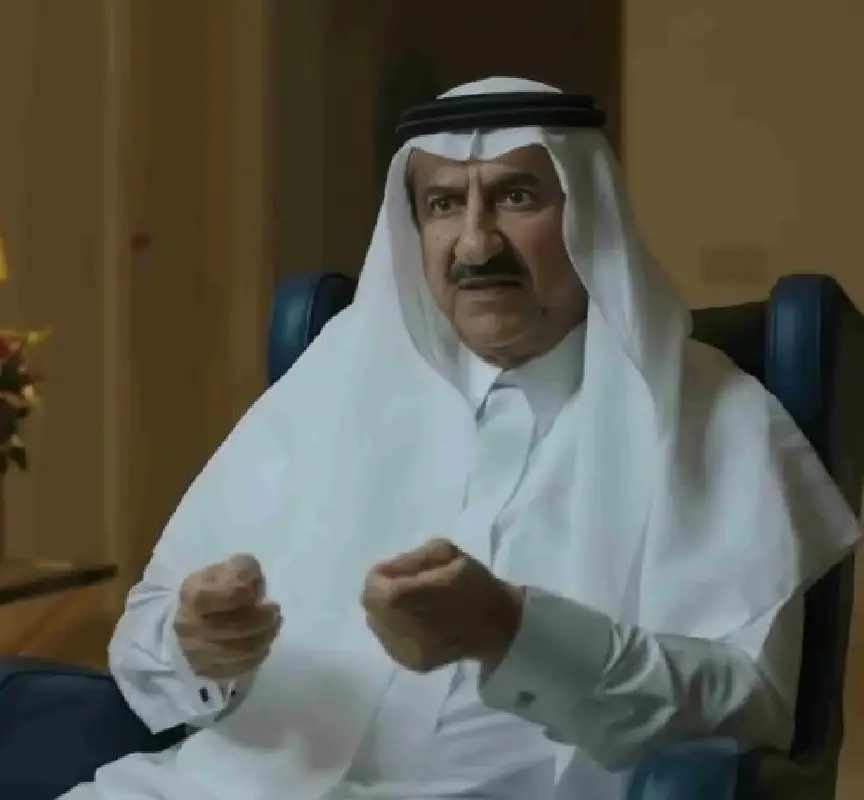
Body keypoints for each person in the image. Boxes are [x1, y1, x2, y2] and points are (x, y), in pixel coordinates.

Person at [61, 77, 860, 799]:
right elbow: (145, 639)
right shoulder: (330, 379)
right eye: (444, 204)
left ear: (586, 216)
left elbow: (748, 713)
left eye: (517, 197)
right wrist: (197, 646)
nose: (476, 246)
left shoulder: (709, 414)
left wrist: (515, 632)